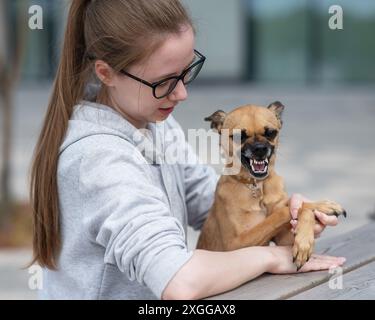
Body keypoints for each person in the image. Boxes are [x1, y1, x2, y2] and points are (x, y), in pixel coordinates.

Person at [29, 0, 345, 300]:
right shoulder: (99, 160)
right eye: (164, 82)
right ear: (105, 73)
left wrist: (277, 210)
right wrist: (272, 257)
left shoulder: (155, 122)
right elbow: (179, 281)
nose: (182, 93)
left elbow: (209, 202)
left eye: (187, 70)